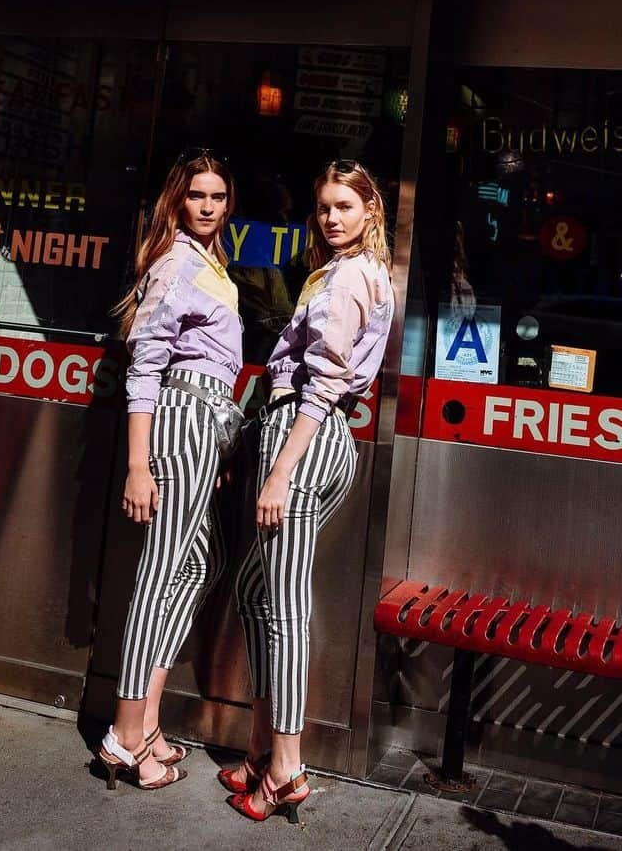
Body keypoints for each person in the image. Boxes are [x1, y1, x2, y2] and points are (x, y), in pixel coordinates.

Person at [225, 160, 394, 823]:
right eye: (324, 206)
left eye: (344, 207)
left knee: (285, 606)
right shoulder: (340, 270)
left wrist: (281, 469)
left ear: (370, 212)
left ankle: (288, 765)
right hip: (306, 434)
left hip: (306, 437)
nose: (331, 218)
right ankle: (266, 748)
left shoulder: (352, 274)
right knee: (253, 591)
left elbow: (324, 385)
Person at [97, 150, 242, 791]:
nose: (207, 205)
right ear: (178, 202)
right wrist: (138, 463)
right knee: (160, 576)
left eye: (217, 195)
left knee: (199, 564)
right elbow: (144, 368)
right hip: (180, 417)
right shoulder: (176, 262)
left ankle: (148, 717)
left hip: (205, 425)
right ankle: (125, 732)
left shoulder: (211, 264)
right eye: (196, 195)